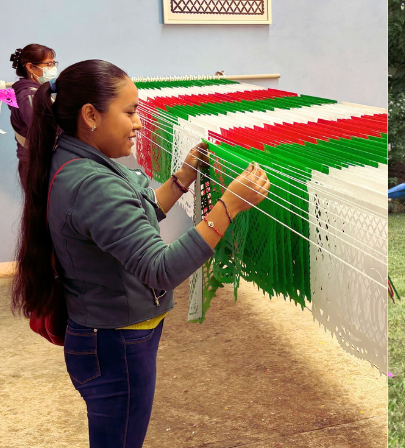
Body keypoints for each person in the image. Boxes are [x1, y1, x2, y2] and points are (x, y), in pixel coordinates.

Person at [9, 60, 271, 448]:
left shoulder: (73, 159)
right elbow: (160, 269)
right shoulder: (92, 183)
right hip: (115, 347)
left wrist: (182, 178)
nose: (138, 124)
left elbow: (130, 222)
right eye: (130, 112)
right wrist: (229, 206)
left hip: (104, 338)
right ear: (90, 115)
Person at [9, 43, 57, 184]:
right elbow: (43, 131)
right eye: (48, 64)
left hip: (37, 161)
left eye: (54, 63)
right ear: (31, 67)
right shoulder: (28, 95)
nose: (53, 68)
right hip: (37, 164)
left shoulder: (33, 91)